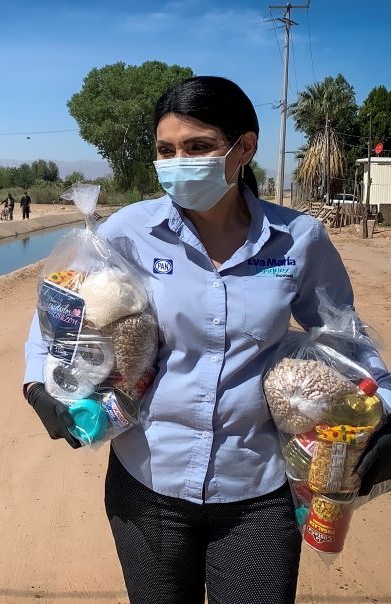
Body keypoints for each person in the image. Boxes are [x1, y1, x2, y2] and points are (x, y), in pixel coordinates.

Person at [22, 76, 391, 604]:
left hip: (258, 490)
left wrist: (386, 406)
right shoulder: (129, 231)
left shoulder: (299, 239)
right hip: (148, 480)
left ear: (244, 147)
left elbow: (343, 336)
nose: (179, 162)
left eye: (197, 147)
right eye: (166, 150)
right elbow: (60, 321)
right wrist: (39, 385)